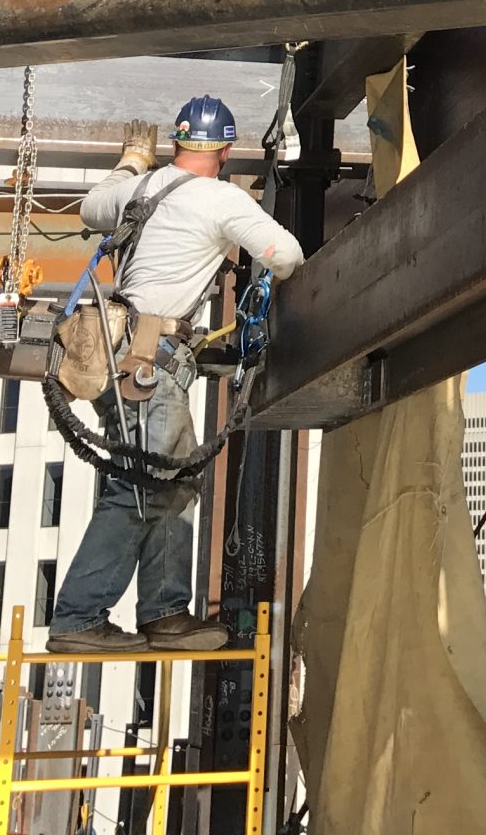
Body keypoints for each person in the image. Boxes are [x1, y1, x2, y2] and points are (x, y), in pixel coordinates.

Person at [49, 94, 305, 653]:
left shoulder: (138, 189)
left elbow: (92, 207)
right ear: (227, 150)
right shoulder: (218, 199)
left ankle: (165, 612)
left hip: (126, 359)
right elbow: (285, 255)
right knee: (138, 490)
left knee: (170, 487)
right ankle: (78, 617)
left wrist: (131, 164)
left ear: (175, 144)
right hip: (150, 364)